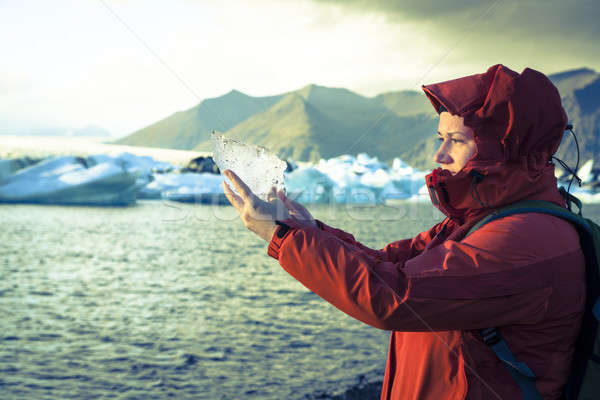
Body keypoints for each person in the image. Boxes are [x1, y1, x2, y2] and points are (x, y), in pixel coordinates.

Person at [222, 64, 585, 399]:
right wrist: (306, 229)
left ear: (504, 150)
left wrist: (282, 238)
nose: (439, 155)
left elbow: (394, 297)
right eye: (440, 138)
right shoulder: (480, 220)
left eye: (455, 141)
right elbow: (389, 262)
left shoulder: (526, 239)